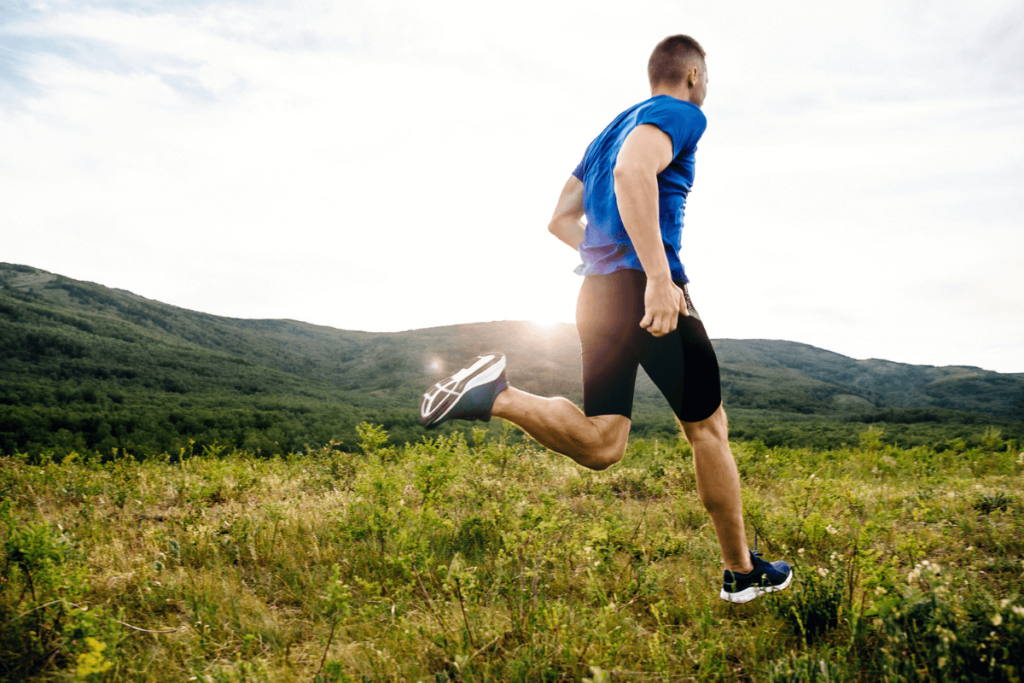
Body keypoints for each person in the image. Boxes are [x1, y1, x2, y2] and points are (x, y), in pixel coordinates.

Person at [419, 35, 791, 604]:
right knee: (708, 430)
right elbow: (632, 174)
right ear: (692, 73)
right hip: (647, 289)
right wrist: (657, 278)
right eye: (707, 77)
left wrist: (608, 260)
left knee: (603, 444)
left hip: (597, 294)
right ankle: (741, 571)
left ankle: (496, 395)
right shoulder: (681, 114)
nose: (708, 87)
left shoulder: (608, 130)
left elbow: (561, 218)